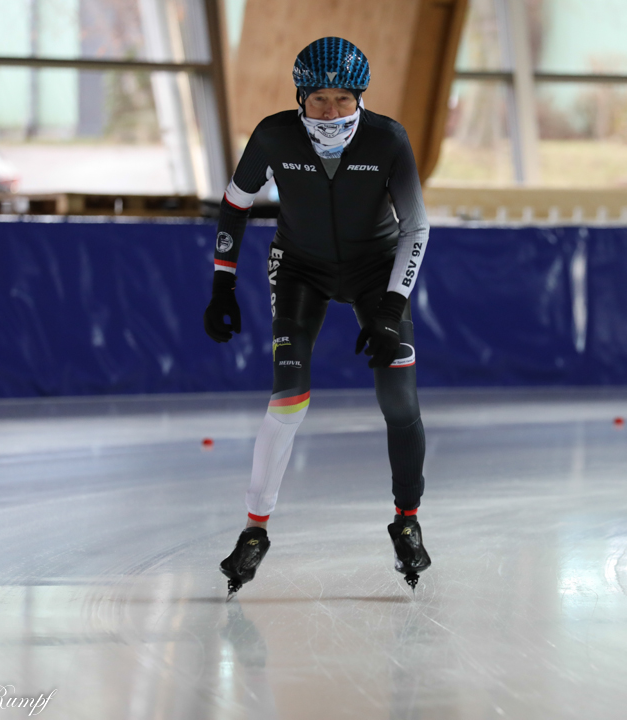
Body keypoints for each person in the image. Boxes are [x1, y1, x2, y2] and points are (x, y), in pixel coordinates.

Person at [204, 37, 432, 595]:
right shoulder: (273, 135)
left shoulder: (388, 138)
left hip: (376, 270)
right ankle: (254, 530)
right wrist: (222, 284)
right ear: (299, 98)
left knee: (399, 400)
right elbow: (235, 203)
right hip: (300, 269)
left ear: (360, 98)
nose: (330, 112)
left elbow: (415, 227)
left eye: (342, 99)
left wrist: (391, 309)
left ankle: (407, 520)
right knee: (288, 398)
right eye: (319, 99)